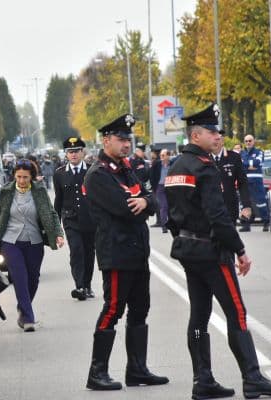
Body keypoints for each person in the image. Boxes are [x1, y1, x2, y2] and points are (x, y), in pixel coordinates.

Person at [164, 103, 271, 400]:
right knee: (237, 313)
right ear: (196, 135)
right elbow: (218, 216)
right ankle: (253, 378)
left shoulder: (176, 167)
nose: (216, 136)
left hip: (188, 248)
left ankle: (203, 380)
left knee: (198, 317)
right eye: (211, 132)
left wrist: (186, 237)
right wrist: (240, 250)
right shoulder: (205, 167)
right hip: (211, 251)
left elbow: (171, 213)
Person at [84, 114, 168, 391]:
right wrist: (143, 203)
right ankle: (97, 372)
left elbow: (152, 200)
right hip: (117, 252)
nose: (126, 144)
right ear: (106, 140)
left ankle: (137, 369)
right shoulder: (98, 174)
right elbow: (124, 208)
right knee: (113, 309)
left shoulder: (127, 169)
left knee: (140, 309)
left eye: (128, 140)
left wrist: (144, 201)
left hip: (137, 251)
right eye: (121, 139)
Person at [0, 159, 64, 332]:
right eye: (19, 176)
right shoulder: (6, 191)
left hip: (34, 240)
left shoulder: (40, 191)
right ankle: (29, 318)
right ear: (14, 175)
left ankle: (23, 308)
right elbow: (0, 216)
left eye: (25, 177)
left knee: (33, 279)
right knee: (20, 277)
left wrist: (58, 233)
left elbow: (50, 213)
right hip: (11, 241)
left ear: (32, 177)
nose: (21, 180)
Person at [53, 136, 96, 301]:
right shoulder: (60, 174)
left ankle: (87, 285)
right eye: (70, 152)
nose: (73, 155)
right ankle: (79, 286)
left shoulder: (92, 170)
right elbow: (58, 200)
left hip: (90, 220)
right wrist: (56, 226)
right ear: (66, 154)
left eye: (76, 151)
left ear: (82, 152)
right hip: (71, 220)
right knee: (76, 251)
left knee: (88, 253)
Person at [211, 132, 252, 224]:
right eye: (212, 139)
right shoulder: (203, 159)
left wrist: (246, 206)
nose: (215, 142)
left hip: (229, 206)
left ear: (222, 141)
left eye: (218, 139)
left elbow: (242, 183)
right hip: (209, 208)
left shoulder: (234, 157)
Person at [241, 134, 269, 232]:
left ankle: (266, 222)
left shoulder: (259, 152)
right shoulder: (242, 153)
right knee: (245, 203)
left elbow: (258, 162)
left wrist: (247, 164)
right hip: (245, 182)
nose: (248, 143)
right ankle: (246, 225)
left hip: (257, 182)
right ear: (244, 142)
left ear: (254, 141)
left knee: (261, 203)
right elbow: (241, 164)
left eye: (250, 141)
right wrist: (249, 164)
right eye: (246, 141)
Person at [150, 149, 171, 233]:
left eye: (163, 155)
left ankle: (171, 224)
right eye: (161, 155)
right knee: (163, 206)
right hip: (160, 187)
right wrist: (154, 188)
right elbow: (152, 176)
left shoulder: (172, 164)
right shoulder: (157, 164)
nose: (161, 157)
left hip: (169, 186)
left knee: (170, 206)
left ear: (168, 156)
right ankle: (164, 225)